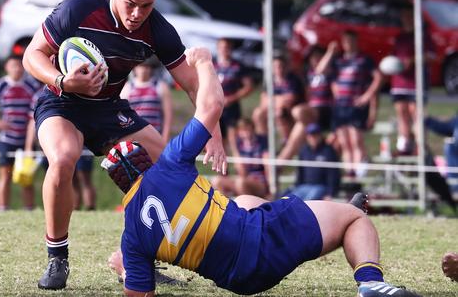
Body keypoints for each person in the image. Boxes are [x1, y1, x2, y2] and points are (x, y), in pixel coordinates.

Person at [102, 47, 419, 297]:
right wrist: (204, 63)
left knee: (246, 199)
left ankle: (326, 221)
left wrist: (128, 269)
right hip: (260, 243)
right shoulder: (168, 165)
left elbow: (139, 293)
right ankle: (369, 281)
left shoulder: (131, 233)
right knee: (356, 220)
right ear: (146, 160)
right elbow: (212, 106)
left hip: (238, 281)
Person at [22, 0, 226, 290]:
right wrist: (63, 81)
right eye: (130, 4)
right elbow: (32, 55)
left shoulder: (157, 28)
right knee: (63, 157)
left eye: (145, 6)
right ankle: (57, 258)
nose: (136, 14)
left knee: (169, 165)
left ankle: (134, 258)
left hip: (109, 108)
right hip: (61, 100)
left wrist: (213, 135)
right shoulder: (78, 9)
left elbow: (192, 85)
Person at [0, 54, 41, 211]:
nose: (16, 69)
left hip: (26, 140)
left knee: (27, 177)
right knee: (4, 175)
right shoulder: (0, 85)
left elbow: (36, 110)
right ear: (6, 68)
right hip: (7, 139)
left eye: (19, 66)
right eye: (13, 66)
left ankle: (29, 209)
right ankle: (3, 208)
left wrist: (30, 143)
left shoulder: (32, 86)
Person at [317, 31, 383, 177]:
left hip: (355, 105)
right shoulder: (338, 61)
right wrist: (330, 52)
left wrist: (367, 96)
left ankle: (359, 170)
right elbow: (320, 71)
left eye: (351, 41)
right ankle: (350, 171)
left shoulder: (364, 60)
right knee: (344, 140)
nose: (349, 44)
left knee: (355, 138)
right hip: (340, 105)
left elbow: (378, 77)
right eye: (346, 41)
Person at [390, 6, 435, 155]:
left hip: (416, 83)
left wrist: (413, 61)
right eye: (405, 16)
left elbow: (432, 56)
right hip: (399, 83)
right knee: (401, 112)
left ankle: (420, 146)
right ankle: (404, 146)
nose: (407, 19)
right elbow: (393, 58)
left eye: (410, 16)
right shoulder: (399, 38)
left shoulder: (423, 36)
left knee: (415, 112)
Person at [213, 37, 254, 152]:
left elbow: (248, 86)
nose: (224, 50)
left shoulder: (238, 66)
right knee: (218, 140)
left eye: (226, 47)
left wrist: (231, 98)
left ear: (231, 49)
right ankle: (221, 169)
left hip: (231, 108)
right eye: (221, 47)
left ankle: (238, 165)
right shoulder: (212, 65)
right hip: (215, 107)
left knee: (234, 139)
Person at [211, 118, 269, 198]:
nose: (246, 134)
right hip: (243, 179)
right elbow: (241, 171)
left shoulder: (261, 143)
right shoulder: (239, 145)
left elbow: (268, 166)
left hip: (259, 181)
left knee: (240, 182)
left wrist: (270, 187)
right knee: (217, 181)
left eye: (248, 130)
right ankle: (225, 208)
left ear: (253, 129)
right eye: (243, 131)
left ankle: (245, 208)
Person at [121, 57, 173, 144]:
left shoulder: (161, 86)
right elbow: (122, 116)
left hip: (155, 138)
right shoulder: (127, 87)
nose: (144, 70)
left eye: (147, 66)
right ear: (134, 68)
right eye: (141, 66)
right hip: (133, 139)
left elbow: (168, 117)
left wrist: (164, 140)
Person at [288, 123, 341, 201]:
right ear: (307, 137)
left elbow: (333, 174)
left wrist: (330, 193)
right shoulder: (304, 151)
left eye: (315, 135)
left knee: (308, 201)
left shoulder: (328, 151)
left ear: (320, 135)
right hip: (304, 186)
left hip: (321, 187)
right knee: (289, 199)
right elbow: (300, 171)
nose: (313, 137)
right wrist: (296, 185)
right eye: (311, 135)